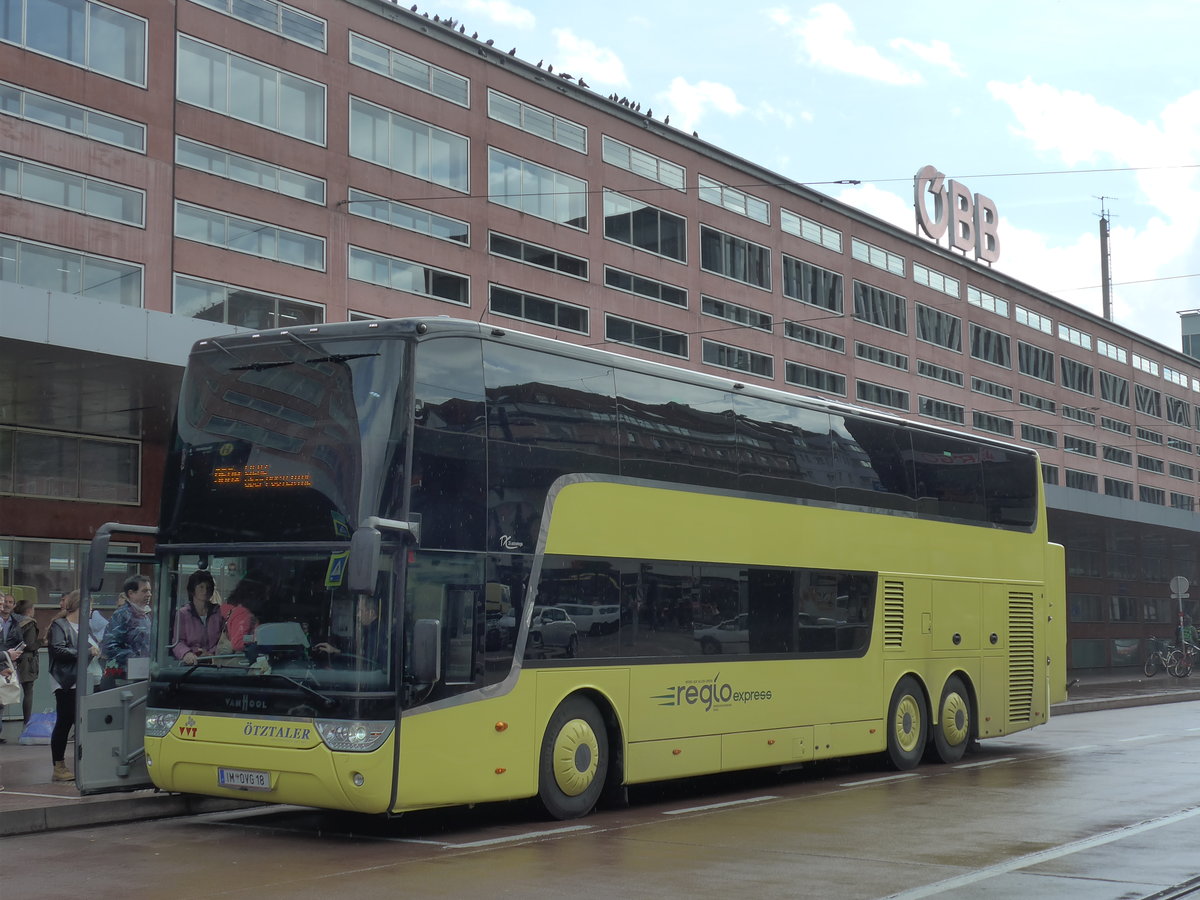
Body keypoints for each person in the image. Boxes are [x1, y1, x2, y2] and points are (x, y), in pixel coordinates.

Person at [46, 590, 100, 783]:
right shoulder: (60, 625)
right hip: (66, 681)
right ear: (81, 605)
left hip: (85, 679)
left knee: (82, 723)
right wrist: (86, 651)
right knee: (65, 721)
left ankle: (85, 763)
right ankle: (58, 766)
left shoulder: (85, 626)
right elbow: (58, 650)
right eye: (90, 605)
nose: (92, 609)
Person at [100, 575, 152, 691]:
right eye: (144, 591)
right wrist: (136, 659)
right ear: (131, 593)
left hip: (140, 676)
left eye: (149, 591)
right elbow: (109, 647)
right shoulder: (122, 615)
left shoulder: (146, 616)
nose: (149, 594)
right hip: (121, 678)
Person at [171, 571, 223, 665]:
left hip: (215, 662)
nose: (205, 591)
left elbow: (224, 640)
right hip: (191, 664)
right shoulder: (183, 613)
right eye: (201, 587)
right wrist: (187, 654)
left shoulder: (219, 612)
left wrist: (211, 654)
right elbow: (177, 642)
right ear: (192, 590)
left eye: (208, 587)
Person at [12, 595, 41, 727]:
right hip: (26, 661)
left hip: (10, 658)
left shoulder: (11, 620)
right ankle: (27, 723)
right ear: (29, 610)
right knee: (28, 691)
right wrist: (41, 642)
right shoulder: (29, 623)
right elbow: (29, 645)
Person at [0, 593, 24, 744]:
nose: (4, 606)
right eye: (2, 603)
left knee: (2, 700)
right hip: (3, 660)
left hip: (6, 663)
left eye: (8, 603)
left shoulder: (15, 623)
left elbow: (18, 640)